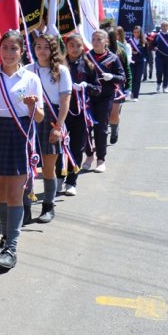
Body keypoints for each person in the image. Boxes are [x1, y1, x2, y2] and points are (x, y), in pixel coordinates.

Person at [0, 30, 44, 270]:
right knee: (1, 193)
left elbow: (39, 118)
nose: (8, 53)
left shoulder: (31, 79)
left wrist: (31, 107)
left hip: (20, 135)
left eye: (13, 48)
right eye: (5, 47)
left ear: (21, 51)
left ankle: (12, 247)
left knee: (15, 194)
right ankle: (5, 237)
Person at [25, 34, 71, 223]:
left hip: (52, 120)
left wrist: (58, 126)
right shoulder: (27, 69)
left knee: (48, 168)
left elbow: (65, 101)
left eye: (45, 47)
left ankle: (48, 206)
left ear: (53, 50)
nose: (41, 50)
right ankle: (25, 207)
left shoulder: (61, 71)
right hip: (30, 119)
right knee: (27, 167)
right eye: (38, 46)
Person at [82, 29, 125, 174]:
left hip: (105, 97)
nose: (95, 42)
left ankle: (101, 159)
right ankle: (89, 156)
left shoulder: (113, 58)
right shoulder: (86, 57)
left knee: (100, 129)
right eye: (93, 39)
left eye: (99, 39)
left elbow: (122, 77)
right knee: (86, 128)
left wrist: (111, 76)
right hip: (89, 97)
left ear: (106, 41)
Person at [63, 35, 101, 196]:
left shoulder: (88, 65)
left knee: (77, 147)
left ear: (82, 47)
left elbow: (98, 88)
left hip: (80, 113)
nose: (74, 48)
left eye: (77, 45)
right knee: (59, 147)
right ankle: (59, 177)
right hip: (61, 112)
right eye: (71, 45)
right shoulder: (59, 64)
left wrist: (86, 86)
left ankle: (72, 181)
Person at [107, 27, 130, 144]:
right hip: (101, 87)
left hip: (116, 87)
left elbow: (127, 70)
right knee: (103, 114)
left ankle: (114, 129)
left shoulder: (120, 50)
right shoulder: (94, 51)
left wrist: (128, 87)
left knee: (114, 115)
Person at [152, 21, 168, 93]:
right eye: (163, 26)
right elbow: (153, 45)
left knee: (167, 72)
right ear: (161, 27)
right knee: (159, 71)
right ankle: (158, 84)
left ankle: (165, 86)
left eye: (166, 26)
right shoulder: (158, 35)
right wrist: (154, 48)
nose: (164, 27)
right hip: (159, 57)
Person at [128, 26, 147, 101]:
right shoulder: (129, 41)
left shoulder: (144, 41)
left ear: (140, 33)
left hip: (140, 62)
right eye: (135, 32)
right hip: (132, 62)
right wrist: (131, 52)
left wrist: (139, 53)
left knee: (138, 79)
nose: (136, 34)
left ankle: (136, 95)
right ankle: (132, 92)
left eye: (138, 32)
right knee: (132, 78)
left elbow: (146, 53)